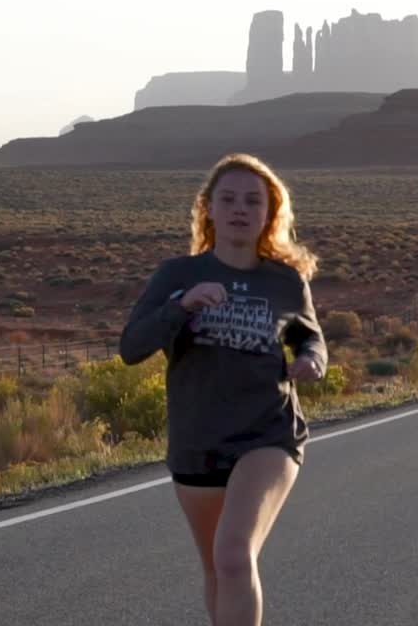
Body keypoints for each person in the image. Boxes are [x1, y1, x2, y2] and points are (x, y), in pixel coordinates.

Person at [119, 152, 327, 626]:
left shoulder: (285, 281)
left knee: (233, 556)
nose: (240, 209)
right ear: (207, 208)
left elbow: (309, 336)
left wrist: (312, 359)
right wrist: (183, 306)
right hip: (197, 442)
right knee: (218, 568)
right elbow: (131, 347)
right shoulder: (177, 276)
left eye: (253, 201)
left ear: (269, 214)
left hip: (268, 434)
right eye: (228, 199)